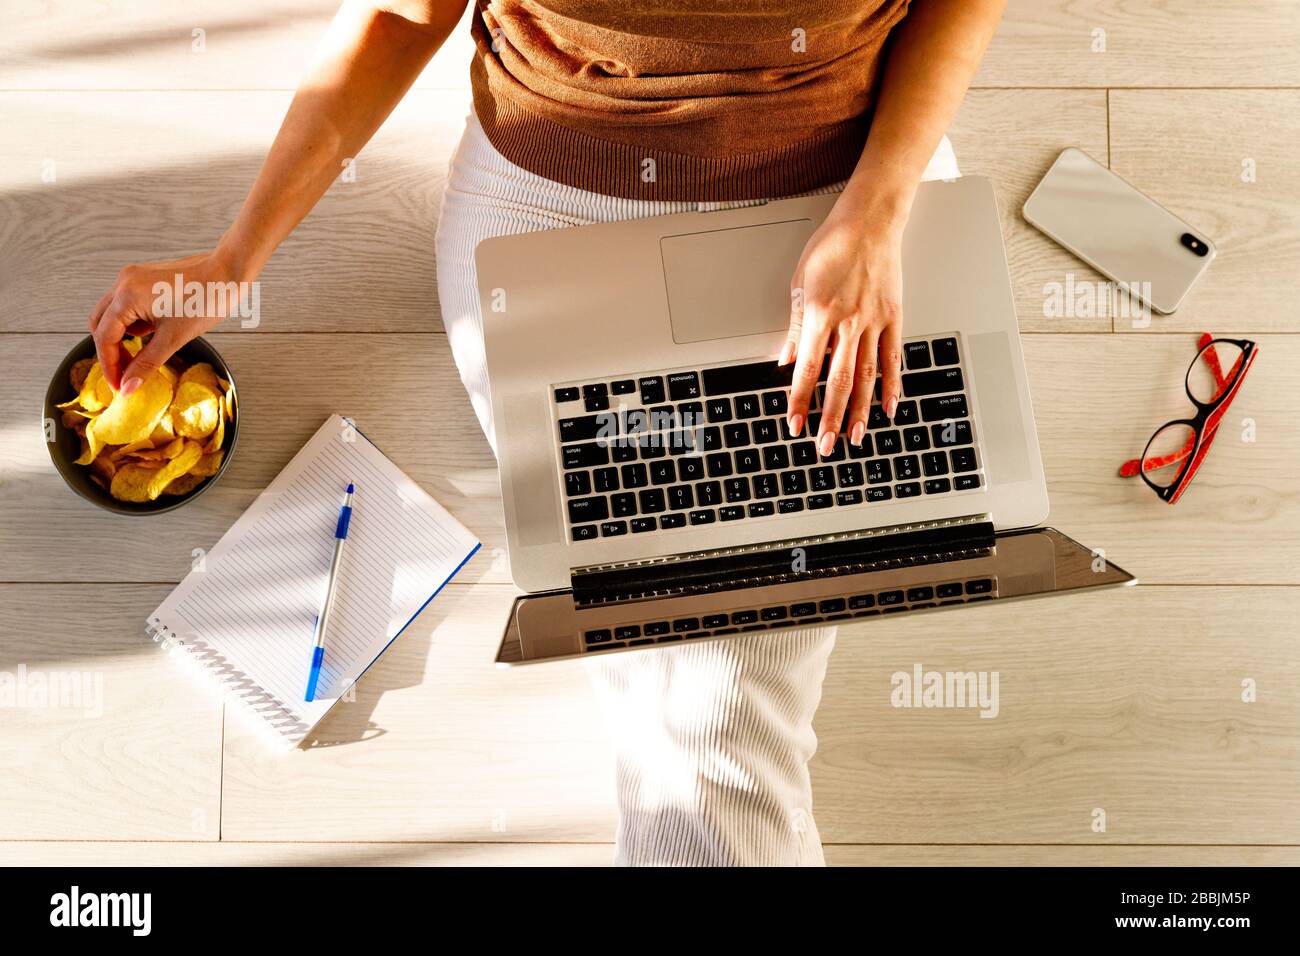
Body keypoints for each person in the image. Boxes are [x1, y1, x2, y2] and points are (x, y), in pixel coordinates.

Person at [87, 0, 1006, 865]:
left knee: (710, 705)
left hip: (848, 197)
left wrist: (879, 213)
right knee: (714, 712)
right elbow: (398, 17)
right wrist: (234, 256)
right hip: (554, 203)